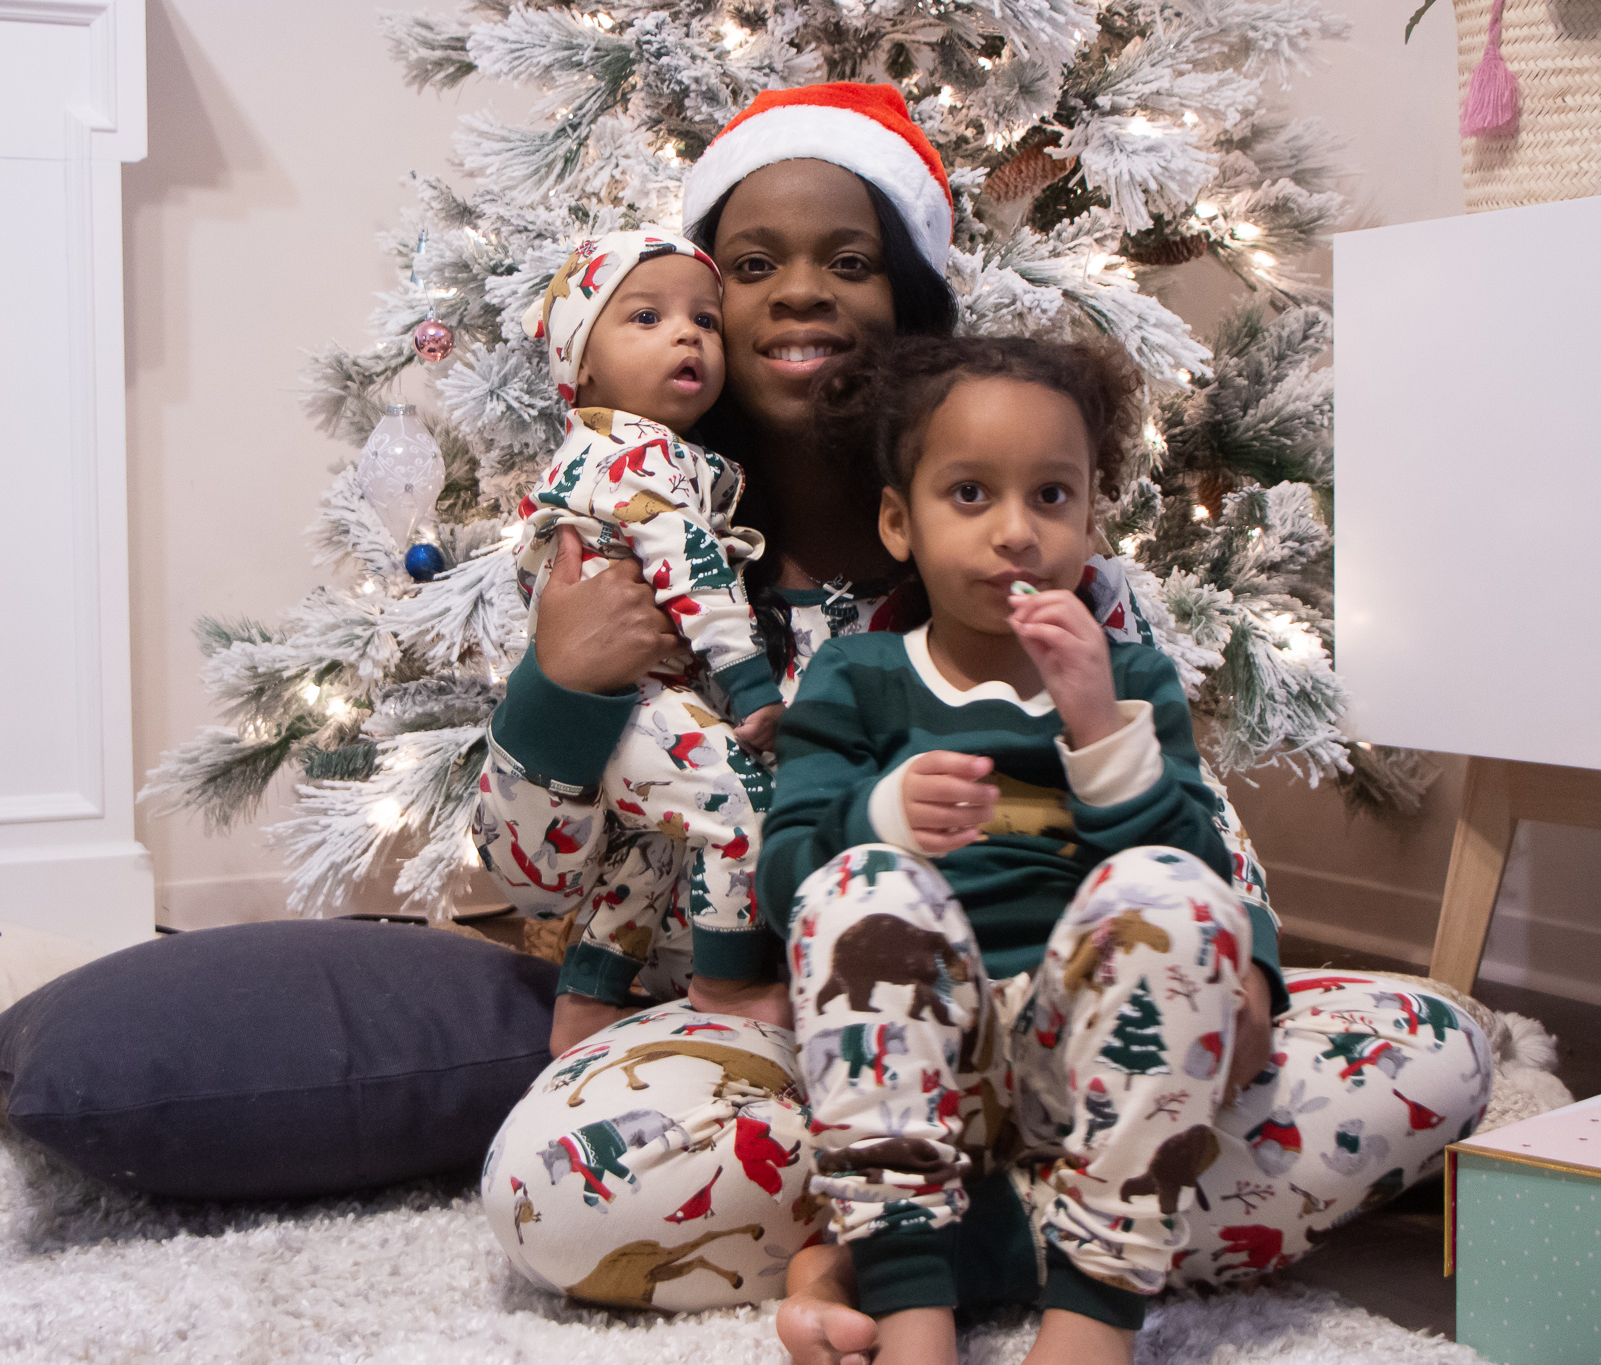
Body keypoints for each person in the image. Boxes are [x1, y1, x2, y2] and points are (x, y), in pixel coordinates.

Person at [473, 80, 1487, 1363]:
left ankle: (919, 1251)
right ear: (696, 301)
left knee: (1429, 1049)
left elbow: (1188, 829)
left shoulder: (1046, 563)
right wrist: (556, 685)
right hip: (798, 1050)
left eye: (850, 262)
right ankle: (1015, 1230)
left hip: (1072, 1021)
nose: (799, 291)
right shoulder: (614, 556)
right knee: (552, 1184)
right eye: (749, 264)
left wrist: (1242, 973)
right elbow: (532, 871)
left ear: (908, 303)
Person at [760, 332, 1290, 1365]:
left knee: (1179, 897)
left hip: (1085, 1068)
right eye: (969, 495)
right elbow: (784, 883)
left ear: (1089, 520)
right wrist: (881, 818)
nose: (1014, 533)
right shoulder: (855, 678)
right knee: (854, 884)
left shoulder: (1127, 679)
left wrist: (1100, 732)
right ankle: (913, 1311)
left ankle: (1085, 1321)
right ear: (895, 522)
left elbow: (1196, 893)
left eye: (1050, 497)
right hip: (917, 1075)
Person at [512, 229, 787, 1050]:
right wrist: (748, 683)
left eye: (706, 319)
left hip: (638, 702)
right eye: (645, 316)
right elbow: (688, 563)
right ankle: (727, 983)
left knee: (656, 842)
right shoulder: (633, 451)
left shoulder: (637, 451)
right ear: (582, 365)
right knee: (739, 798)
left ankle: (588, 997)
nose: (687, 333)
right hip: (631, 696)